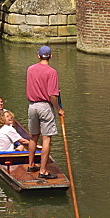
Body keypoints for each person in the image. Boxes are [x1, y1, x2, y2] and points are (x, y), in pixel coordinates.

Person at [26, 45, 64, 178]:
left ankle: (31, 166)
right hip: (44, 107)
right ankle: (43, 171)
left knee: (33, 136)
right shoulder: (51, 72)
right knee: (46, 138)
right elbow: (52, 95)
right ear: (50, 56)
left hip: (32, 106)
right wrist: (58, 109)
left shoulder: (30, 69)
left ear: (38, 56)